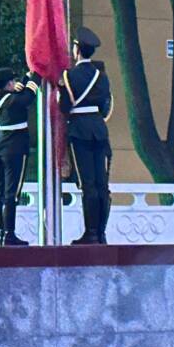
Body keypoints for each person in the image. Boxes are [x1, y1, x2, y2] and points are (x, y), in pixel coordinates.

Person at [59, 27, 113, 244]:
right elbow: (105, 105)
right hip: (99, 129)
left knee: (87, 184)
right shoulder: (102, 76)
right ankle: (101, 233)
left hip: (79, 130)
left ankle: (90, 233)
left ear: (77, 50)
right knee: (102, 184)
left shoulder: (69, 76)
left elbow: (64, 107)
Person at [0, 67, 37, 246]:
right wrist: (35, 76)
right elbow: (29, 95)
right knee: (11, 194)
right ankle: (10, 234)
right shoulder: (14, 100)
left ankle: (2, 234)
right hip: (15, 149)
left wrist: (24, 79)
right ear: (9, 84)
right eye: (13, 81)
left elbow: (17, 95)